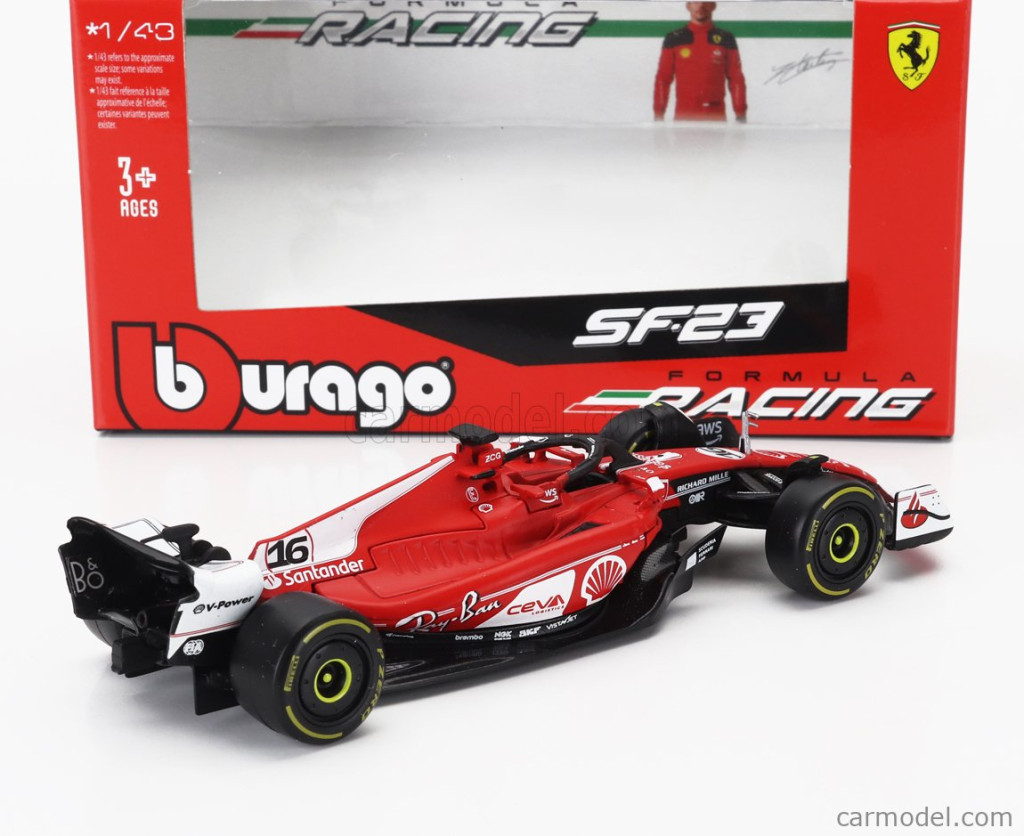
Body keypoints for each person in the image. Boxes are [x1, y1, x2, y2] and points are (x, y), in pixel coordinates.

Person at [654, 2, 747, 122]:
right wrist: (658, 114)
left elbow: (736, 78)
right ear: (688, 6)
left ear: (713, 5)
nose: (701, 6)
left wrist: (740, 113)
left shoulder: (726, 38)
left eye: (705, 1)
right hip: (684, 119)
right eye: (696, 2)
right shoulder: (674, 38)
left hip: (716, 119)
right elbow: (663, 78)